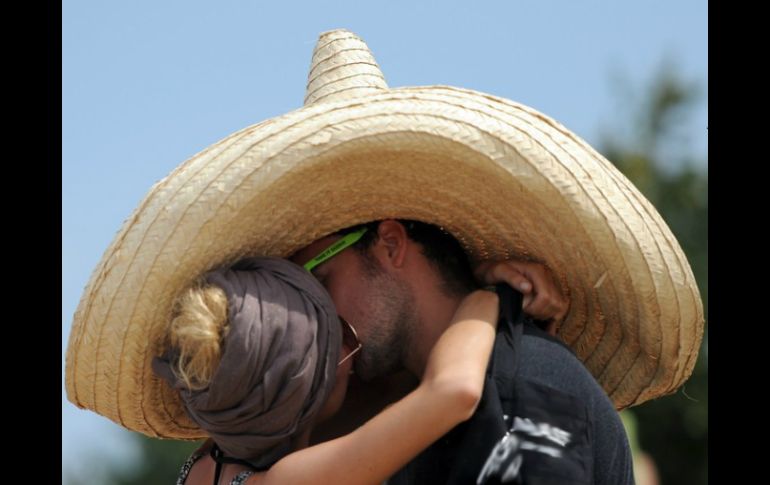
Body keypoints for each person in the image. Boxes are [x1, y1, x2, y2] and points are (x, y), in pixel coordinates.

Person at [65, 27, 703, 485]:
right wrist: (489, 295)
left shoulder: (521, 384)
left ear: (390, 243)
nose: (310, 314)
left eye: (317, 276)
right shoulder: (415, 408)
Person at [152, 256, 564, 484]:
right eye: (342, 342)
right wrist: (489, 294)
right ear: (310, 392)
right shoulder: (289, 481)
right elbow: (452, 390)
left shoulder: (214, 460)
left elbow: (385, 409)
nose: (357, 359)